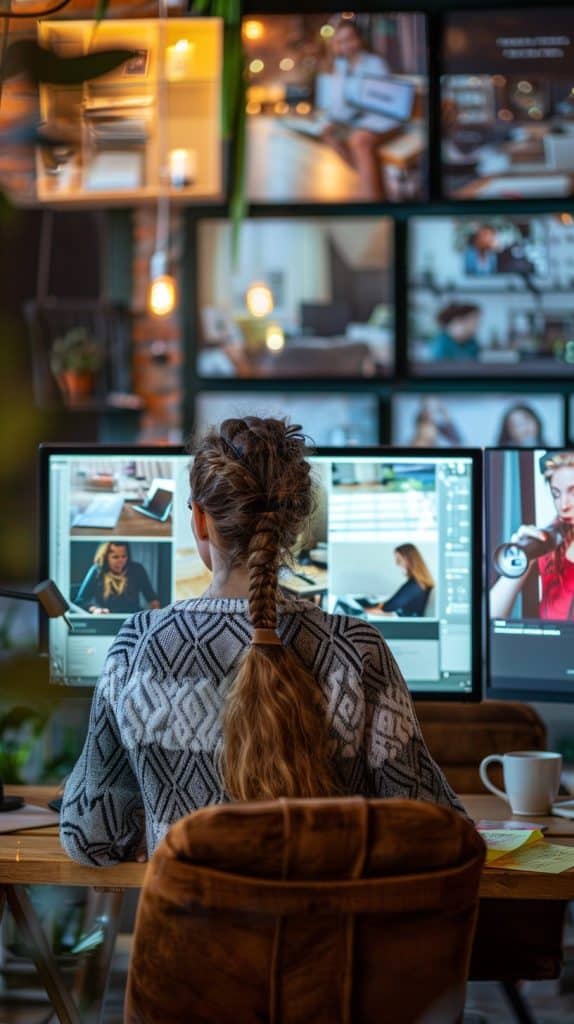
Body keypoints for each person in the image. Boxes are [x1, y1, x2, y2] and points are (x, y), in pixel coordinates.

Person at [60, 417, 462, 866]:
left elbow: (89, 837)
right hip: (331, 934)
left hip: (191, 935)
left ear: (199, 518)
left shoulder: (137, 647)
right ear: (296, 525)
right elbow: (439, 830)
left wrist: (154, 827)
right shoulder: (357, 650)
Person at [490, 451, 574, 620]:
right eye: (556, 494)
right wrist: (521, 555)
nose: (563, 505)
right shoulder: (552, 542)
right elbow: (492, 616)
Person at [320, 20, 391, 200]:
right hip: (353, 120)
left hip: (379, 120)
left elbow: (383, 103)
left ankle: (373, 198)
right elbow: (336, 102)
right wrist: (332, 119)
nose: (346, 45)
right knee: (327, 132)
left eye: (350, 39)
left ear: (359, 39)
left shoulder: (375, 63)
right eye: (341, 41)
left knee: (359, 141)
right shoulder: (339, 67)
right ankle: (373, 184)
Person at [74, 541, 160, 615]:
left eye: (124, 556)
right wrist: (95, 610)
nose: (120, 561)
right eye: (115, 557)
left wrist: (156, 617)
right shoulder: (97, 571)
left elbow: (152, 598)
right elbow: (80, 601)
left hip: (132, 620)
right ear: (105, 557)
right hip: (106, 620)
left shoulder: (137, 569)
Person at [367, 543, 434, 617]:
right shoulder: (418, 583)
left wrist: (364, 610)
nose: (397, 563)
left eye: (399, 559)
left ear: (409, 559)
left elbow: (388, 607)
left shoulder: (415, 585)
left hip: (406, 623)